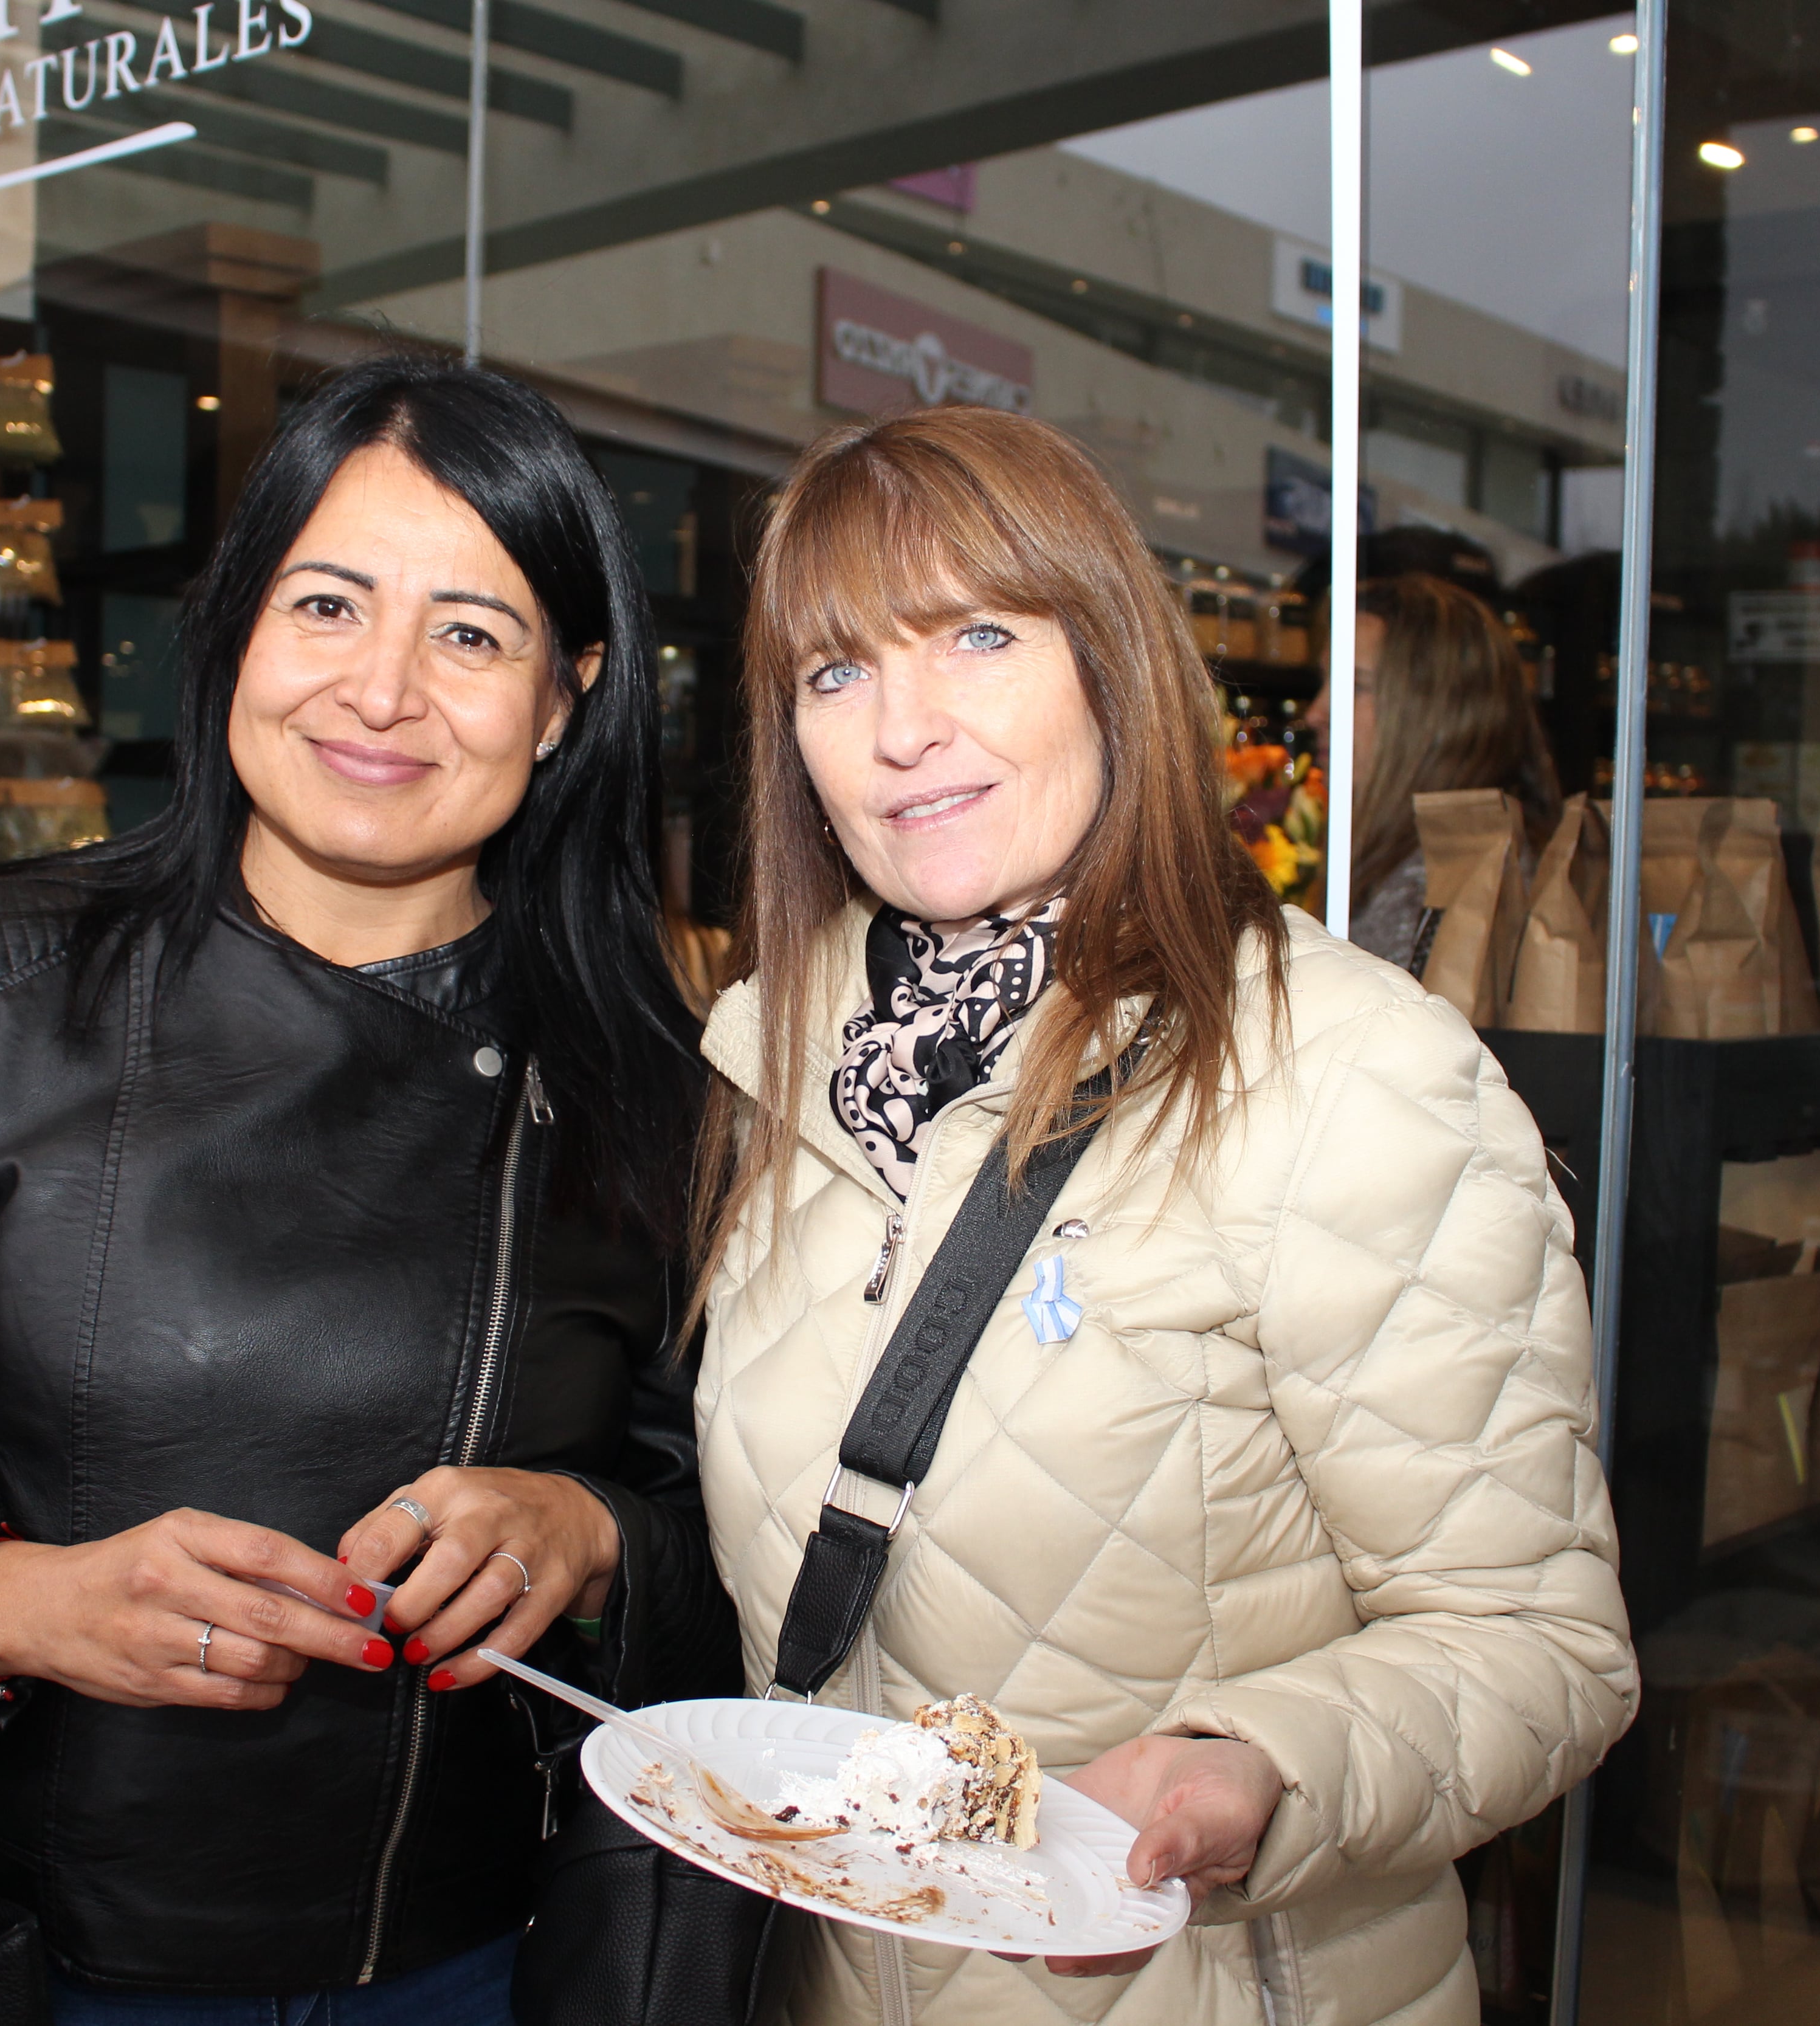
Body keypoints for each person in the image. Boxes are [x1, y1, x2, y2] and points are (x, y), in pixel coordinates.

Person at [0, 357, 730, 2017]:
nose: (382, 692)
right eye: (328, 605)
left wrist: (587, 1531)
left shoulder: (654, 1076)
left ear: (568, 696)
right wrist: (14, 1601)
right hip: (31, 1957)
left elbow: (738, 1543)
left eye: (471, 633)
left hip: (478, 1966)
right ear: (232, 631)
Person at [694, 407, 1634, 2024]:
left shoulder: (1350, 1072)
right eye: (836, 670)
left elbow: (1541, 1643)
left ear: (1110, 663)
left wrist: (1261, 1762)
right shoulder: (787, 1059)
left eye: (978, 635)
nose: (901, 726)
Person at [1312, 571, 1562, 971]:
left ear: (1432, 712)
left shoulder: (1447, 889)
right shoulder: (1419, 864)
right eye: (1325, 682)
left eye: (1353, 686)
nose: (1316, 712)